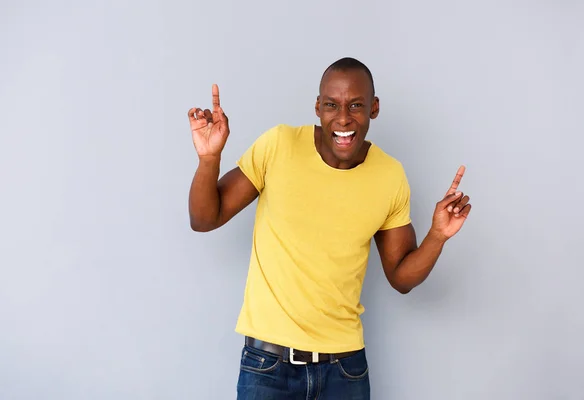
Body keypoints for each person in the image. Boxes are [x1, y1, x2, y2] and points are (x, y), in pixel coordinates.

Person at [187, 57, 472, 399]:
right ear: (318, 108)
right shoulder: (278, 145)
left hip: (344, 370)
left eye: (356, 105)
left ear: (374, 108)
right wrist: (209, 159)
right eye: (332, 105)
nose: (343, 118)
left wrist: (437, 237)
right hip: (268, 366)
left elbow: (401, 277)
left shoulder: (390, 175)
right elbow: (205, 219)